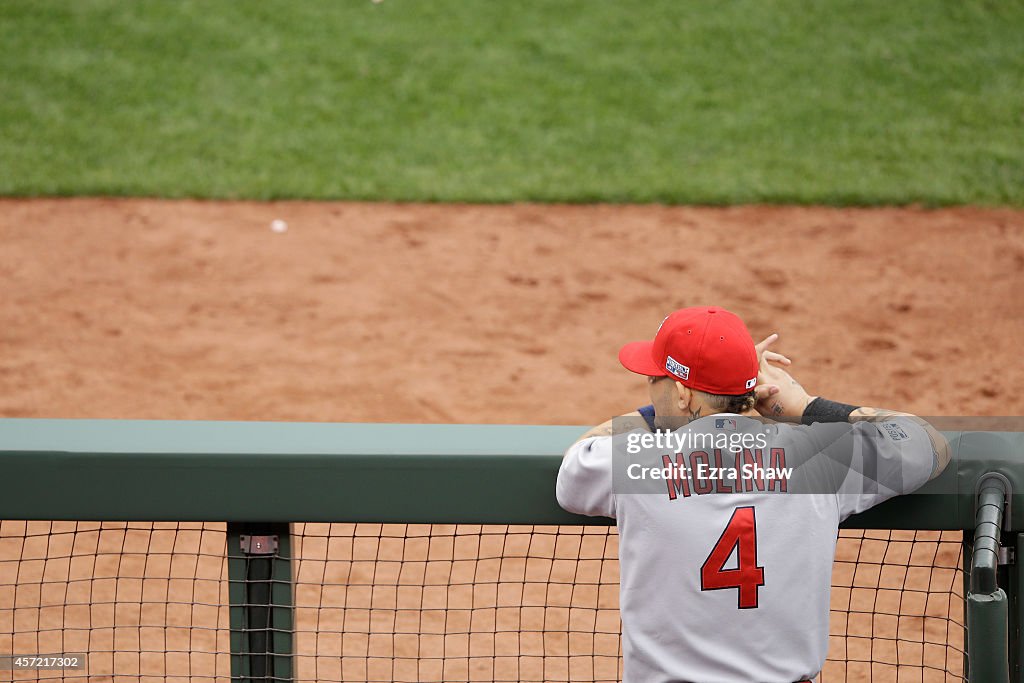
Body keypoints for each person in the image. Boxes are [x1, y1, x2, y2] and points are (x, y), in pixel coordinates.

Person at [555, 306, 950, 683]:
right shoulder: (821, 458)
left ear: (681, 393)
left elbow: (576, 465)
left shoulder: (634, 463)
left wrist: (655, 413)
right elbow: (927, 444)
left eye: (655, 379)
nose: (649, 386)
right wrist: (801, 405)